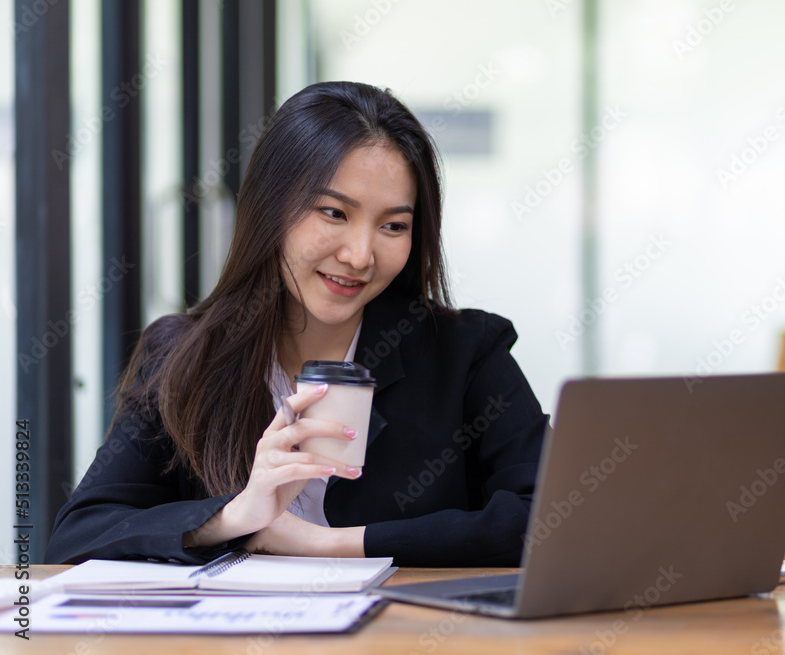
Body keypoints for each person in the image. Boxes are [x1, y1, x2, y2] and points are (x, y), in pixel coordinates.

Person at [45, 81, 548, 567]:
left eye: (394, 225)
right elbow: (80, 535)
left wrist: (327, 544)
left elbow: (549, 519)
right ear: (272, 207)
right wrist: (235, 517)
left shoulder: (466, 353)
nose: (359, 255)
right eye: (334, 212)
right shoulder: (183, 357)